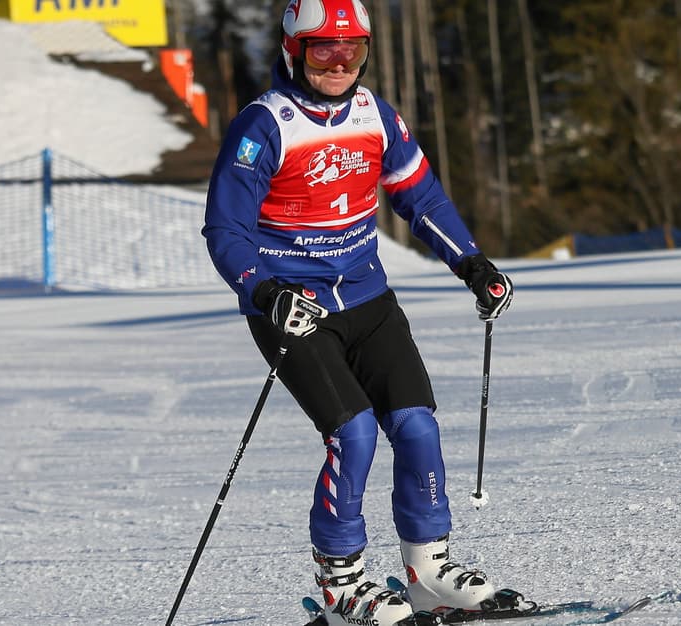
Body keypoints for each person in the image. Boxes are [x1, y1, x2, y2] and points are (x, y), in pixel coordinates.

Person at [201, 1, 515, 624]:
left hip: (368, 299)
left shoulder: (376, 115)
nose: (339, 63)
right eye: (323, 50)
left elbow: (419, 195)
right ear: (293, 51)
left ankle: (428, 572)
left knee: (417, 426)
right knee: (354, 434)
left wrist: (472, 264)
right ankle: (340, 586)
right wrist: (264, 291)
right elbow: (225, 229)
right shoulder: (265, 125)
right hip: (295, 311)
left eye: (353, 50)